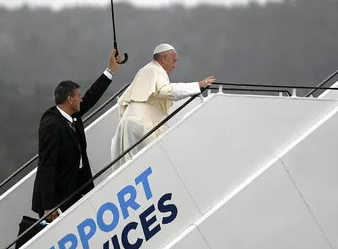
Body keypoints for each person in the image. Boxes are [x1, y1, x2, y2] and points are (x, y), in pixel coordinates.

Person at [32, 50, 123, 222]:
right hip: (59, 200)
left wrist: (110, 71)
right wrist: (49, 206)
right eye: (78, 97)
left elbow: (90, 97)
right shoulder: (51, 125)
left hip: (76, 188)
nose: (82, 100)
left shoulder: (72, 114)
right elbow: (46, 165)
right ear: (70, 99)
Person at [110, 43, 215, 166]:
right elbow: (165, 90)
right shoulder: (157, 70)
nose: (175, 66)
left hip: (127, 124)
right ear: (164, 59)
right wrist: (197, 85)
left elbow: (122, 102)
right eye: (174, 61)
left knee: (127, 167)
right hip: (142, 125)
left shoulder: (144, 70)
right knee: (157, 163)